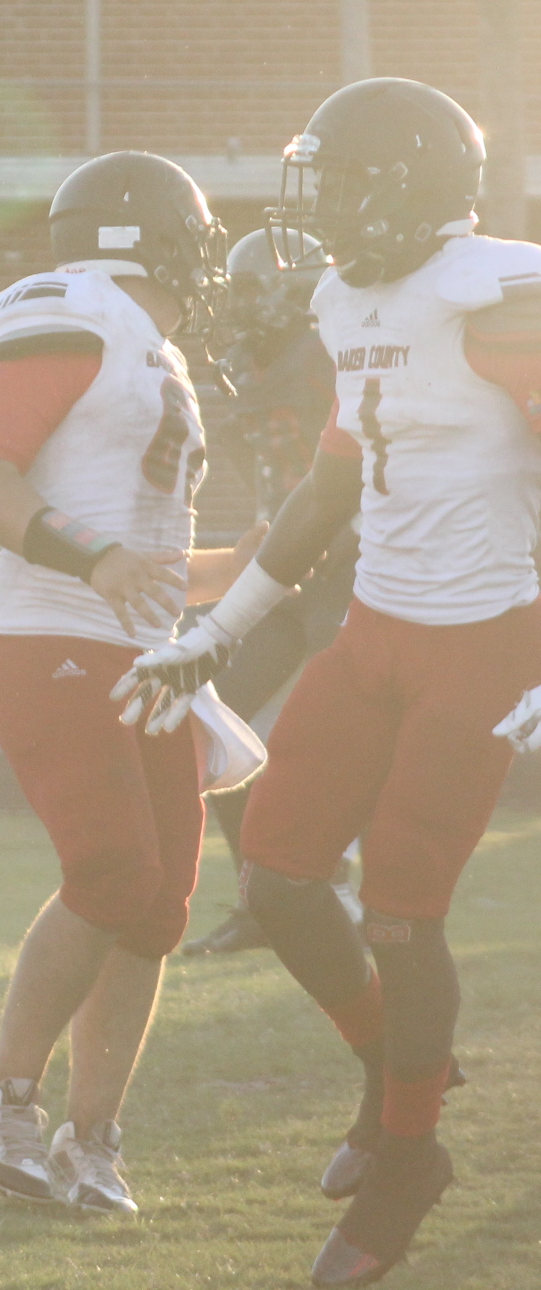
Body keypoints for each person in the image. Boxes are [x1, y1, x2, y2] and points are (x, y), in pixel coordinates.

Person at [120, 80, 541, 1287]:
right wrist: (219, 632)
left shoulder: (498, 297)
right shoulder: (350, 296)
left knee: (402, 910)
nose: (326, 209)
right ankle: (397, 1075)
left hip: (484, 640)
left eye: (346, 184)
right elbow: (334, 482)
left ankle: (409, 1157)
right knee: (283, 873)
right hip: (374, 629)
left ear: (411, 187)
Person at [0, 150, 250, 1216]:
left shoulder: (153, 350)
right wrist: (95, 559)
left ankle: (92, 1139)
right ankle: (1, 1101)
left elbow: (149, 565)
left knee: (159, 907)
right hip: (50, 638)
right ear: (152, 239)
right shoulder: (73, 307)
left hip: (145, 651)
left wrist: (259, 558)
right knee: (114, 871)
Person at [182, 227, 355, 957]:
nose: (238, 304)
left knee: (339, 734)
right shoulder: (254, 360)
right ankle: (264, 903)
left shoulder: (330, 350)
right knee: (217, 722)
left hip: (349, 560)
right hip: (286, 564)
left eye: (251, 288)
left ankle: (352, 894)